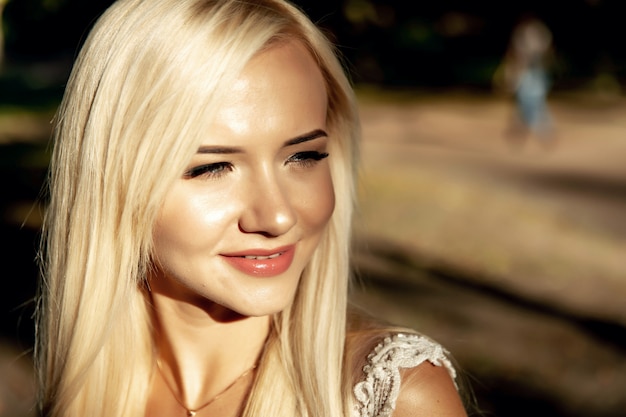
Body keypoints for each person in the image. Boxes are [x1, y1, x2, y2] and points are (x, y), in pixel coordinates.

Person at [35, 1, 470, 416]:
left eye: (303, 157)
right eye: (213, 167)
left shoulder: (394, 397)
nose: (277, 217)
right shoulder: (80, 390)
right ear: (113, 178)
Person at [494, 14, 556, 146]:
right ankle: (521, 130)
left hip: (533, 72)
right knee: (526, 102)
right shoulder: (532, 31)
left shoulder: (535, 31)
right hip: (529, 71)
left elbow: (537, 53)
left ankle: (544, 131)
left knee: (531, 102)